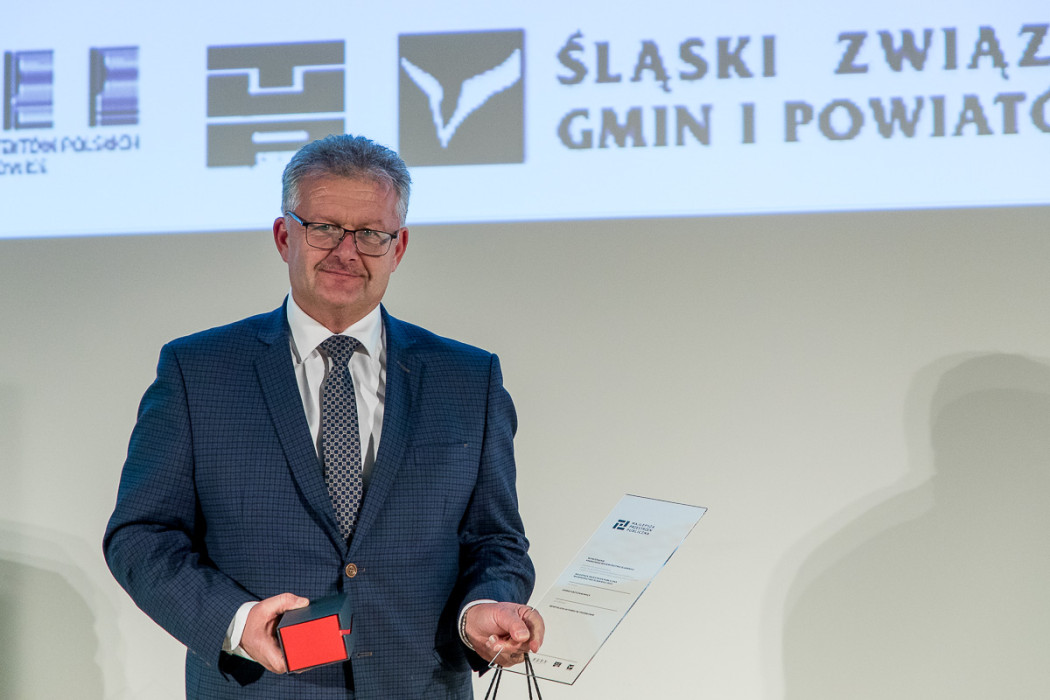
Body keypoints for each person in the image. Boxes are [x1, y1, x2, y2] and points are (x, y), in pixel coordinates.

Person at [103, 134, 543, 699]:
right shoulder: (198, 371)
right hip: (261, 688)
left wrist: (479, 609)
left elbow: (496, 539)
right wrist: (236, 622)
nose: (346, 251)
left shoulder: (468, 379)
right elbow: (141, 535)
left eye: (371, 234)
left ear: (399, 248)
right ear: (284, 236)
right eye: (325, 228)